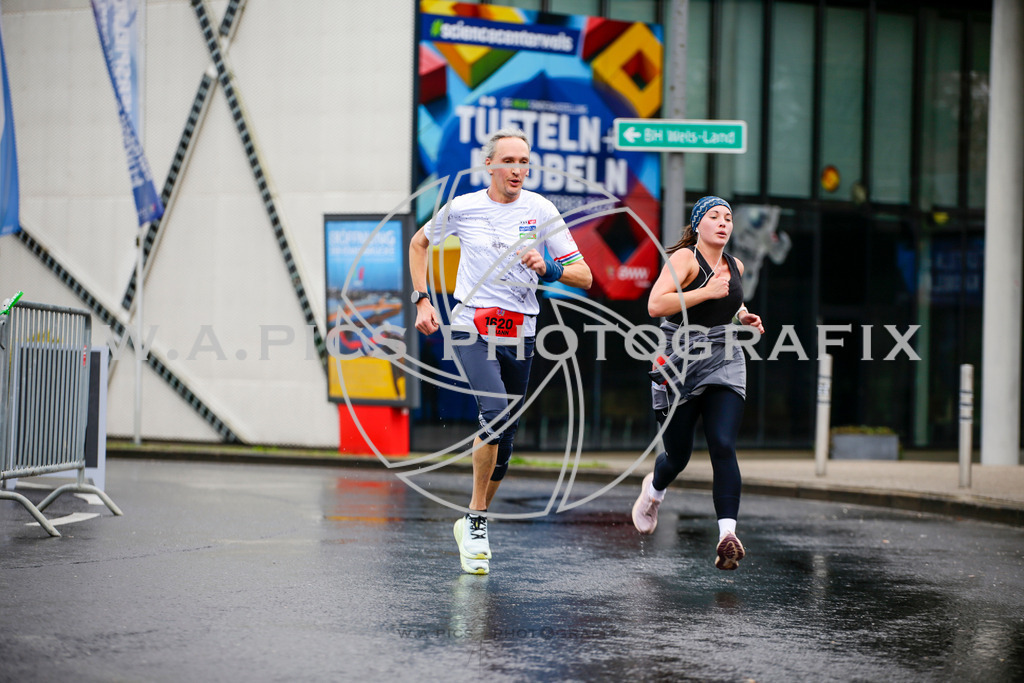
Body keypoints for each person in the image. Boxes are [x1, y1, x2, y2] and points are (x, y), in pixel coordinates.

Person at [409, 128, 593, 575]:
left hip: (521, 332)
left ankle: (475, 519)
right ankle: (475, 519)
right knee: (494, 412)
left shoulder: (542, 210)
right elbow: (419, 243)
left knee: (506, 440)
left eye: (524, 162)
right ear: (489, 165)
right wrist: (422, 299)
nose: (517, 169)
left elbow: (584, 276)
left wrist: (548, 266)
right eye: (509, 161)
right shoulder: (465, 207)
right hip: (471, 323)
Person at [631, 195, 764, 571]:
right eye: (715, 217)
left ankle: (727, 535)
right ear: (698, 224)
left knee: (723, 443)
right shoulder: (685, 259)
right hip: (679, 360)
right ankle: (654, 491)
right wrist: (706, 291)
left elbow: (729, 304)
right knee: (679, 455)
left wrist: (743, 317)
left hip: (723, 358)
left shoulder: (735, 264)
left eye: (729, 217)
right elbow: (656, 305)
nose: (723, 223)